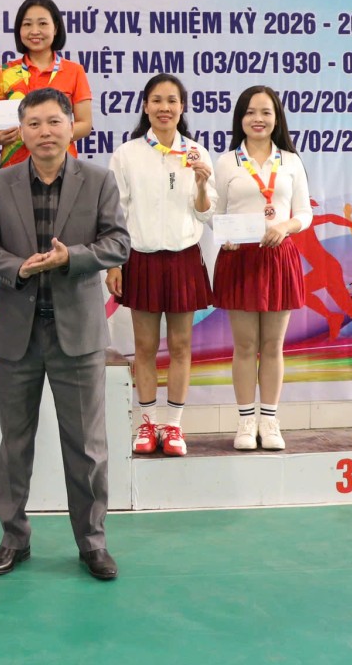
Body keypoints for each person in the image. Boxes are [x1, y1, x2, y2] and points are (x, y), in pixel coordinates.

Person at [0, 88, 130, 581]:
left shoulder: (98, 180)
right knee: (15, 444)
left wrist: (70, 258)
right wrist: (18, 268)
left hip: (77, 334)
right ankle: (13, 538)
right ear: (20, 131)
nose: (44, 132)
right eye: (34, 123)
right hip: (18, 334)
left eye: (54, 121)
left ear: (70, 126)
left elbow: (118, 243)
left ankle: (92, 542)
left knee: (87, 447)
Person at [104, 74, 215, 458]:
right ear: (145, 106)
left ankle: (174, 426)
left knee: (181, 346)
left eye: (172, 101)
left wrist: (201, 185)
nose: (164, 108)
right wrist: (114, 264)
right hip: (141, 258)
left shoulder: (197, 153)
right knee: (145, 346)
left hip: (184, 258)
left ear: (182, 107)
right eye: (157, 100)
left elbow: (206, 214)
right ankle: (147, 423)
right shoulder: (127, 154)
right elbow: (116, 214)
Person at [211, 86, 312, 452]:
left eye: (266, 112)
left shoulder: (291, 161)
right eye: (250, 112)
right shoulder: (226, 162)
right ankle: (245, 421)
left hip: (277, 257)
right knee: (245, 345)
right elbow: (214, 212)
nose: (258, 119)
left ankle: (269, 420)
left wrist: (285, 226)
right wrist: (224, 235)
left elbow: (304, 212)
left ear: (276, 118)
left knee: (272, 345)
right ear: (240, 118)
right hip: (239, 259)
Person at [0, 0, 93, 168]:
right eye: (27, 24)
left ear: (55, 28)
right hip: (14, 167)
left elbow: (85, 124)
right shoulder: (4, 72)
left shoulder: (74, 71)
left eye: (42, 23)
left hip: (61, 165)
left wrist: (50, 134)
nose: (35, 31)